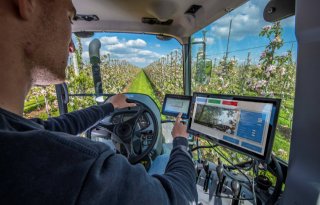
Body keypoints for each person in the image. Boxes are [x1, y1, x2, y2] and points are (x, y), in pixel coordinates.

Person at [0, 0, 197, 204]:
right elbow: (179, 197)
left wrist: (110, 106)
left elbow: (53, 127)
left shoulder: (13, 132)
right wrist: (180, 142)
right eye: (69, 18)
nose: (72, 48)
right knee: (165, 157)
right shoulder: (82, 170)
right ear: (27, 3)